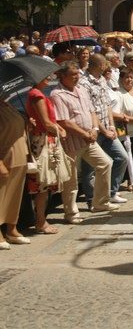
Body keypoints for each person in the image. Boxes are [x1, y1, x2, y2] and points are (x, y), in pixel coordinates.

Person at [51, 62, 116, 218]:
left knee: (105, 163)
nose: (77, 77)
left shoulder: (81, 89)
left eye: (78, 74)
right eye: (73, 75)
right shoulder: (57, 94)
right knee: (71, 179)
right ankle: (71, 212)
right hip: (71, 142)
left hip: (89, 139)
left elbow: (92, 111)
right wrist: (84, 133)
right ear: (63, 76)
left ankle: (100, 202)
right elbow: (64, 121)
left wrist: (94, 129)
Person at [79, 54, 129, 206]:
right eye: (105, 63)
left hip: (107, 129)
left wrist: (111, 126)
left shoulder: (101, 79)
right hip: (93, 130)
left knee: (121, 158)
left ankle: (111, 192)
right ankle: (91, 199)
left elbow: (107, 104)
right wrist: (102, 129)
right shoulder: (84, 83)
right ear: (100, 65)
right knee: (89, 169)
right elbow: (90, 110)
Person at [26, 74, 67, 234]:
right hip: (43, 141)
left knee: (45, 184)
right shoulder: (36, 95)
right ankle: (40, 221)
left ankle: (41, 219)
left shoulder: (36, 94)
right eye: (44, 76)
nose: (48, 78)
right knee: (43, 184)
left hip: (44, 139)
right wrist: (60, 130)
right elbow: (46, 123)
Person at [0, 93, 31, 248]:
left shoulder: (8, 105)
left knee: (15, 195)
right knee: (1, 196)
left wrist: (27, 123)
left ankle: (12, 229)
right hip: (5, 156)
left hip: (19, 155)